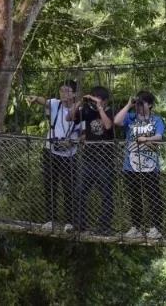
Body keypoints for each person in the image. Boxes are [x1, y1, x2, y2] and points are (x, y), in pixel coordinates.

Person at [26, 80, 82, 232]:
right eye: (61, 90)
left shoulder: (79, 110)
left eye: (67, 91)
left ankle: (69, 222)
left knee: (69, 188)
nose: (64, 94)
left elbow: (82, 133)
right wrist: (34, 98)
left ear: (74, 94)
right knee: (50, 186)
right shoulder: (55, 104)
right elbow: (43, 101)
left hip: (69, 154)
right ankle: (50, 219)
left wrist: (71, 142)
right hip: (50, 151)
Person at [114, 91, 165, 239]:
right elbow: (116, 121)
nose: (139, 107)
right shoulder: (131, 117)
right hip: (131, 165)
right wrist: (129, 105)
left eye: (142, 103)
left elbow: (159, 137)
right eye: (138, 104)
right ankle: (135, 227)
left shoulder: (156, 119)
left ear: (150, 104)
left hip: (150, 165)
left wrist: (146, 139)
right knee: (135, 197)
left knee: (153, 197)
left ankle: (155, 228)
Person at [66, 86, 115, 234]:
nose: (94, 102)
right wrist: (80, 102)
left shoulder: (110, 111)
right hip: (88, 159)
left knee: (106, 195)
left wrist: (100, 108)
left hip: (105, 161)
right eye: (93, 99)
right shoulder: (88, 111)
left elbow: (108, 125)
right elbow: (69, 118)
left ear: (105, 101)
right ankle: (79, 224)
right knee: (79, 193)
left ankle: (104, 227)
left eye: (98, 99)